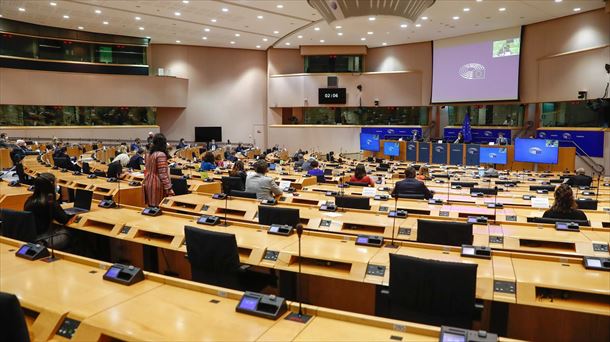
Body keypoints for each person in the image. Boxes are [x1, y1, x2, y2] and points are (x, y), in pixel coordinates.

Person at [24, 173, 73, 249]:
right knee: (71, 233)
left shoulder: (29, 200)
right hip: (42, 239)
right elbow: (64, 219)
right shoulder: (49, 202)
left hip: (30, 236)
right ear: (51, 185)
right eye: (55, 183)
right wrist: (74, 215)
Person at [144, 133, 174, 207]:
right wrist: (169, 188)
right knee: (158, 208)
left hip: (148, 182)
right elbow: (162, 174)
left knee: (151, 208)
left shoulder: (149, 154)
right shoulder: (161, 155)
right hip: (156, 184)